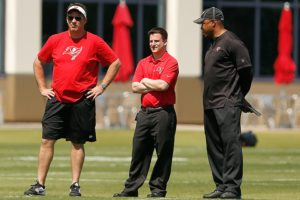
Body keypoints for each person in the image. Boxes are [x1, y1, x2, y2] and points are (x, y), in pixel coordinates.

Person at [24, 2, 120, 197]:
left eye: (78, 18)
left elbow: (115, 62)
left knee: (77, 142)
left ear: (85, 20)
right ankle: (39, 185)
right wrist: (42, 88)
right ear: (66, 20)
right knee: (46, 140)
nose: (74, 21)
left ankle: (75, 185)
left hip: (82, 99)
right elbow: (38, 62)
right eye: (70, 17)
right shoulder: (55, 40)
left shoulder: (94, 42)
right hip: (57, 98)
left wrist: (101, 86)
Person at [194, 7, 253, 199]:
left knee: (231, 145)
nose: (201, 26)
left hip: (227, 102)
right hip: (210, 104)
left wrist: (238, 96)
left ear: (214, 22)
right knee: (215, 147)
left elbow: (246, 73)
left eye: (203, 23)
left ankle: (232, 188)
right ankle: (221, 185)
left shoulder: (233, 43)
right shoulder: (213, 44)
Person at [113, 27, 179, 198]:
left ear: (164, 42)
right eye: (151, 41)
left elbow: (164, 86)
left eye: (156, 41)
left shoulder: (171, 62)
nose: (153, 44)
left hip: (164, 113)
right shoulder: (143, 62)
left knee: (163, 153)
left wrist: (146, 81)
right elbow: (134, 87)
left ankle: (158, 190)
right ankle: (131, 189)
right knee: (139, 152)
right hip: (144, 113)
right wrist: (153, 83)